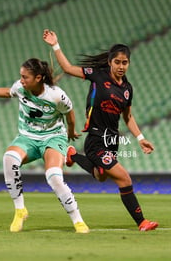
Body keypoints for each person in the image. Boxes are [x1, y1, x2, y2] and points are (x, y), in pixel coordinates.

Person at [43, 29, 158, 231]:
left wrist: (140, 138)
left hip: (111, 140)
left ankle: (72, 155)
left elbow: (128, 116)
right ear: (110, 62)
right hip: (96, 138)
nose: (121, 66)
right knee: (124, 178)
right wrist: (55, 45)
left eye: (125, 63)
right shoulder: (97, 75)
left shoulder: (127, 89)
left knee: (101, 175)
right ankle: (142, 222)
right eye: (117, 62)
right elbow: (68, 68)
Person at [0, 58, 90, 233]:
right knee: (9, 159)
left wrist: (70, 130)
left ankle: (78, 221)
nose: (21, 80)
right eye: (21, 77)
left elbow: (69, 113)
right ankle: (20, 210)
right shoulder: (21, 88)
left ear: (38, 78)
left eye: (25, 77)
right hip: (27, 137)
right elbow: (8, 92)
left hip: (53, 137)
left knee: (54, 177)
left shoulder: (56, 95)